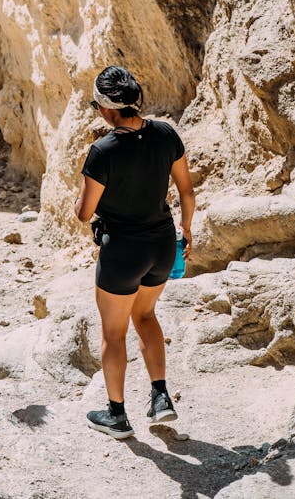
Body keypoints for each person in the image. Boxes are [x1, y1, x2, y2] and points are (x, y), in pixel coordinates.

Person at [75, 65, 195, 439]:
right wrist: (186, 230)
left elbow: (84, 212)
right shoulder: (165, 134)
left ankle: (116, 416)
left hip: (122, 252)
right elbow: (187, 193)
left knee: (114, 333)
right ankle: (161, 398)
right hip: (162, 245)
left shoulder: (103, 150)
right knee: (145, 316)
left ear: (107, 109)